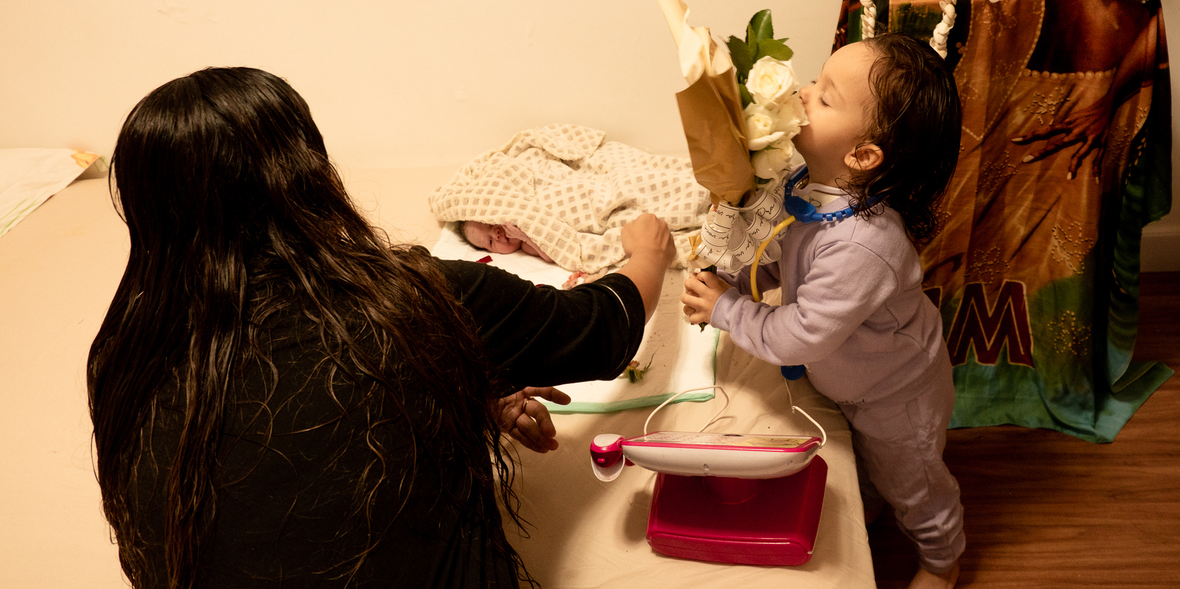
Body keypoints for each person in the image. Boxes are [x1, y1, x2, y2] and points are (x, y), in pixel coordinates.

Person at [87, 67, 676, 589]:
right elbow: (604, 328)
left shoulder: (121, 354)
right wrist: (647, 255)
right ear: (305, 174)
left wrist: (463, 393)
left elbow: (282, 453)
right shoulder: (415, 298)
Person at [681, 32, 965, 589]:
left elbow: (802, 334)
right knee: (868, 465)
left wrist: (728, 310)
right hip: (854, 382)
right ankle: (877, 496)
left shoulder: (864, 245)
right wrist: (738, 277)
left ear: (862, 156)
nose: (804, 93)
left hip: (895, 394)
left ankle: (942, 557)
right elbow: (788, 259)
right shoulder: (809, 188)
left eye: (826, 96)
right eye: (816, 78)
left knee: (916, 484)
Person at [459, 219, 555, 263]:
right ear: (491, 251)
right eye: (490, 242)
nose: (495, 234)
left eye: (492, 224)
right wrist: (524, 237)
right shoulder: (526, 245)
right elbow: (552, 255)